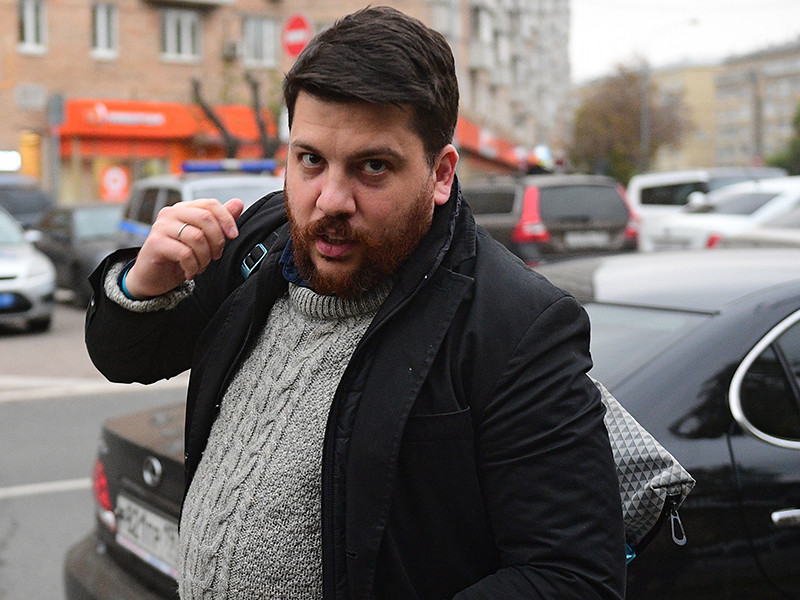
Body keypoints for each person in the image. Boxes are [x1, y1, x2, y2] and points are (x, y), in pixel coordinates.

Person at [85, 6, 626, 599]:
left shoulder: (514, 325)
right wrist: (144, 284)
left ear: (441, 173)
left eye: (372, 167)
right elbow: (126, 357)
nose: (330, 200)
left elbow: (573, 577)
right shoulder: (261, 238)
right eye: (311, 160)